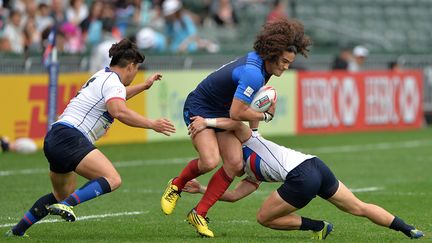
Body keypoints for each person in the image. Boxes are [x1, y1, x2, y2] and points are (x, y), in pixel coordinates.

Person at [5, 38, 176, 237]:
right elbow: (118, 111)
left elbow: (118, 96)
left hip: (55, 137)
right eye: (137, 69)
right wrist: (152, 124)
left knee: (61, 194)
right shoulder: (114, 83)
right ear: (130, 66)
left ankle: (17, 232)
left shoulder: (102, 76)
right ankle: (67, 206)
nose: (136, 73)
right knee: (112, 179)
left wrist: (143, 86)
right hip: (71, 137)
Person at [160, 17, 312, 237]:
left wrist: (256, 132)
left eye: (290, 62)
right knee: (210, 161)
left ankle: (199, 213)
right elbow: (237, 114)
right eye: (285, 61)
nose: (287, 67)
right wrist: (265, 117)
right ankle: (176, 184)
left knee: (234, 163)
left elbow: (244, 107)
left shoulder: (263, 67)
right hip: (200, 108)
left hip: (222, 109)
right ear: (272, 55)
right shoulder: (253, 74)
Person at [183, 116, 424, 240]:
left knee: (263, 218)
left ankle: (318, 226)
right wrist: (203, 188)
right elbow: (235, 196)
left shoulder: (249, 140)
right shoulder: (247, 173)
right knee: (358, 207)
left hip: (301, 175)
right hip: (316, 165)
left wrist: (207, 122)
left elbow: (235, 121)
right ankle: (408, 229)